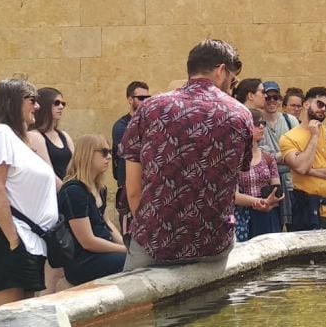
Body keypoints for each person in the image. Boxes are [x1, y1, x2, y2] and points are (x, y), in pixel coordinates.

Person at [120, 39, 252, 270]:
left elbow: (133, 190)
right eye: (232, 81)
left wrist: (154, 232)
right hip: (213, 247)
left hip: (155, 243)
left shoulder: (150, 109)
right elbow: (234, 178)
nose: (231, 88)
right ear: (221, 71)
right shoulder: (241, 114)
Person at [0, 79, 58, 325]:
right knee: (13, 316)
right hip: (5, 235)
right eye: (32, 100)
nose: (38, 106)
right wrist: (12, 240)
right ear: (12, 102)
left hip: (24, 238)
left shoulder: (15, 138)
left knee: (23, 316)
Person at [57, 135, 126, 286]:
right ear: (87, 154)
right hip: (84, 260)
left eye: (110, 152)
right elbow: (87, 241)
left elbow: (107, 222)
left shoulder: (100, 188)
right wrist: (124, 250)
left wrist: (125, 245)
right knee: (129, 262)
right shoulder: (74, 191)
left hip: (103, 253)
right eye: (103, 152)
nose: (109, 157)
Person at [280, 87, 326, 230]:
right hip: (306, 210)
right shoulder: (288, 138)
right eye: (320, 104)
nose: (324, 109)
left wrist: (313, 172)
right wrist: (314, 136)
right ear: (306, 104)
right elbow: (301, 167)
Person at [27, 87, 74, 294]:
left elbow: (74, 168)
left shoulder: (64, 135)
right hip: (52, 201)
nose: (61, 106)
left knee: (63, 262)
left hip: (67, 198)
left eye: (63, 103)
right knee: (53, 262)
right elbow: (48, 171)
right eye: (56, 103)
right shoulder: (35, 136)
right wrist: (71, 192)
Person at [233, 109, 283, 242]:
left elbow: (276, 189)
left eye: (263, 123)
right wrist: (259, 202)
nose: (261, 126)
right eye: (256, 123)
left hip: (268, 215)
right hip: (244, 217)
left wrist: (271, 202)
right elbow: (234, 196)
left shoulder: (268, 157)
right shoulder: (235, 159)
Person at [111, 81, 149, 233]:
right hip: (127, 190)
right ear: (130, 99)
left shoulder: (148, 122)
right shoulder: (121, 126)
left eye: (148, 98)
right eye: (141, 98)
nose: (145, 101)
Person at [258, 81, 297, 231]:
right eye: (268, 97)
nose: (272, 101)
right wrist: (287, 155)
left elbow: (299, 151)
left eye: (276, 97)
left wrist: (275, 158)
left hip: (291, 184)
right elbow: (262, 159)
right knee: (274, 231)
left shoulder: (290, 120)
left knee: (296, 230)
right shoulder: (257, 123)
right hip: (269, 186)